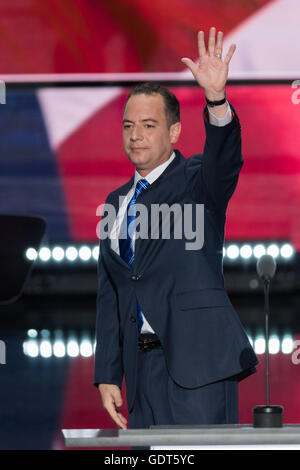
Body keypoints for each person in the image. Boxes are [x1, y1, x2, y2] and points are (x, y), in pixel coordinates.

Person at [94, 27, 258, 431]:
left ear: (174, 132)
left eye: (149, 125)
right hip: (140, 370)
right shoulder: (115, 202)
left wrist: (216, 100)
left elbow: (226, 159)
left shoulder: (198, 180)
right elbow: (111, 296)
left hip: (200, 365)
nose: (136, 135)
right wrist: (107, 372)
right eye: (128, 126)